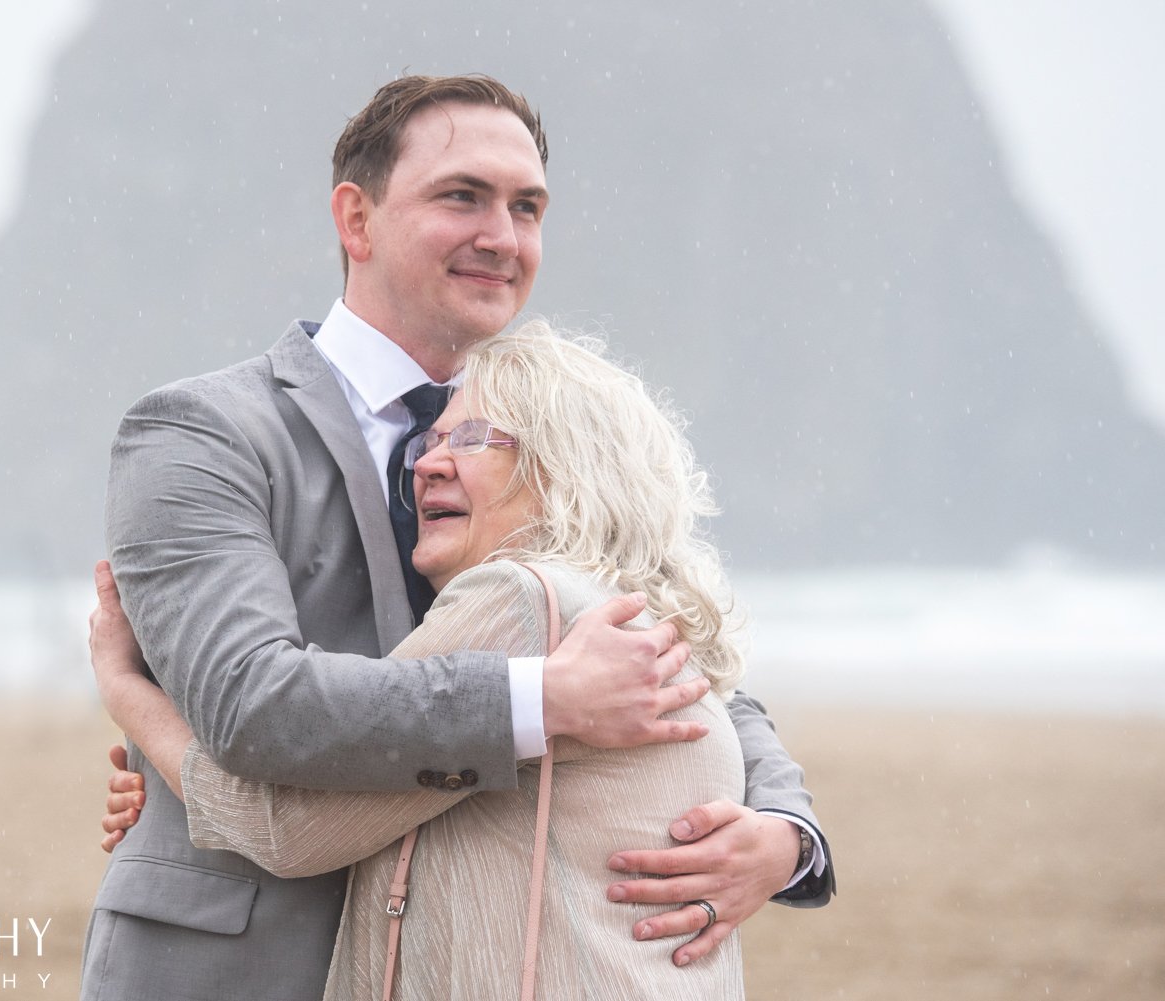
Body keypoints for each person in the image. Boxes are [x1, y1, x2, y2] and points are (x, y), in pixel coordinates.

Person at [81, 73, 832, 1001]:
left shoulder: (550, 430)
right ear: (356, 222)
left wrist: (783, 831)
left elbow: (668, 638)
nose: (502, 237)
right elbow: (250, 703)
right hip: (244, 964)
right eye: (462, 196)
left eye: (527, 207)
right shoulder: (201, 431)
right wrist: (539, 700)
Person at [93, 322, 755, 998]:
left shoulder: (518, 600)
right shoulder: (652, 618)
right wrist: (787, 837)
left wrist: (129, 694)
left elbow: (284, 827)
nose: (428, 463)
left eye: (472, 438)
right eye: (431, 439)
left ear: (565, 463)